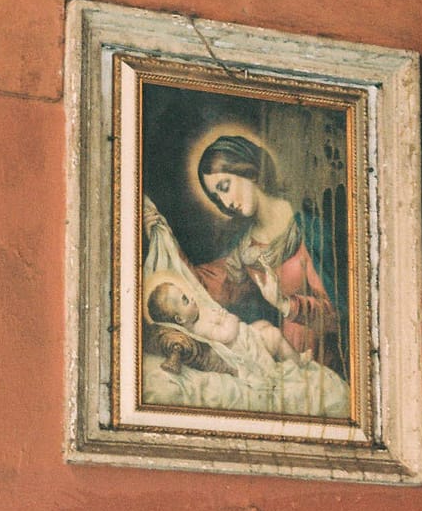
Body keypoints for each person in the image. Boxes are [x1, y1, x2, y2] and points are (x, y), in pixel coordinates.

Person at [190, 134, 343, 370]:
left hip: (322, 360)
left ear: (249, 172)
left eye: (225, 187)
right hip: (283, 359)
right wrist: (165, 240)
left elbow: (339, 314)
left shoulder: (308, 229)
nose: (225, 202)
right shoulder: (243, 247)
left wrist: (284, 304)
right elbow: (206, 281)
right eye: (216, 197)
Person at [144, 276, 305, 376]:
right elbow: (227, 335)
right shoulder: (200, 329)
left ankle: (289, 357)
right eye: (185, 299)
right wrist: (230, 318)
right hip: (242, 346)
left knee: (264, 324)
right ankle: (298, 362)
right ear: (179, 319)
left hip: (245, 335)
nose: (191, 298)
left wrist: (220, 317)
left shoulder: (197, 316)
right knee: (274, 334)